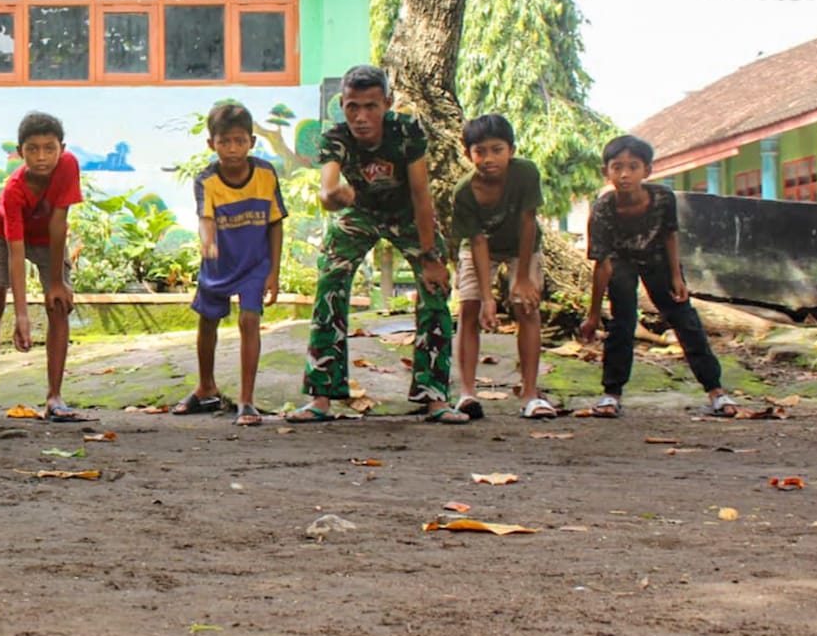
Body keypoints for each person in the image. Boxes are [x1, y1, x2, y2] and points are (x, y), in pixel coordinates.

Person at [294, 65, 462, 423]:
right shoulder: (336, 136)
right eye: (353, 106)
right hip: (361, 212)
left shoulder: (406, 131)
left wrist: (431, 256)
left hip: (407, 212)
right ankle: (321, 396)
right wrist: (336, 195)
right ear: (343, 105)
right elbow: (327, 192)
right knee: (330, 282)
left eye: (371, 106)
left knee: (435, 288)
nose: (361, 116)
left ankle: (434, 397)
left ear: (387, 103)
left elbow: (421, 194)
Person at [579, 135, 734, 417]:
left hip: (658, 259)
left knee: (684, 320)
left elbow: (670, 235)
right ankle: (611, 394)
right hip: (621, 261)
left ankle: (716, 391)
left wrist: (677, 276)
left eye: (633, 167)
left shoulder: (662, 198)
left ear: (647, 171)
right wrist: (592, 314)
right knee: (622, 323)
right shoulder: (603, 209)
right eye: (617, 167)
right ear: (606, 172)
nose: (624, 174)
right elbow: (601, 265)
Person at [0, 111, 86, 423]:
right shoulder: (15, 190)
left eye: (49, 148)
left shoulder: (68, 165)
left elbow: (59, 224)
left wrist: (57, 282)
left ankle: (55, 398)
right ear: (20, 152)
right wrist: (21, 316)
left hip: (49, 240)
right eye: (32, 149)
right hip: (5, 237)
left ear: (62, 148)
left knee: (59, 303)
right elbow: (15, 252)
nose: (41, 156)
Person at [174, 103, 284, 426]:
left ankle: (246, 400)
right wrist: (207, 243)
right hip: (219, 264)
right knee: (207, 321)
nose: (233, 149)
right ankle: (205, 386)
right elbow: (205, 217)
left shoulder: (265, 173)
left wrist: (274, 272)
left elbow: (276, 224)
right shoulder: (207, 180)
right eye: (225, 142)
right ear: (212, 144)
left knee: (250, 321)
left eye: (239, 141)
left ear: (251, 141)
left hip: (254, 264)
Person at [451, 114, 549, 418]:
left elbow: (528, 222)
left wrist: (521, 278)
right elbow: (478, 242)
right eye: (480, 151)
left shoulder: (525, 173)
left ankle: (531, 394)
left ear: (512, 150)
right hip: (481, 248)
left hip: (522, 244)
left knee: (526, 306)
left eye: (497, 149)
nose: (489, 158)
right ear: (468, 153)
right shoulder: (464, 192)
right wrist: (487, 298)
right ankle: (467, 393)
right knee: (469, 308)